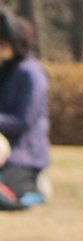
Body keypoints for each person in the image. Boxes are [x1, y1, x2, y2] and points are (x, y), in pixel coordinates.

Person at [0, 10, 49, 209]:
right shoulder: (7, 71)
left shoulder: (30, 73)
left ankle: (32, 189)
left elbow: (24, 121)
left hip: (22, 155)